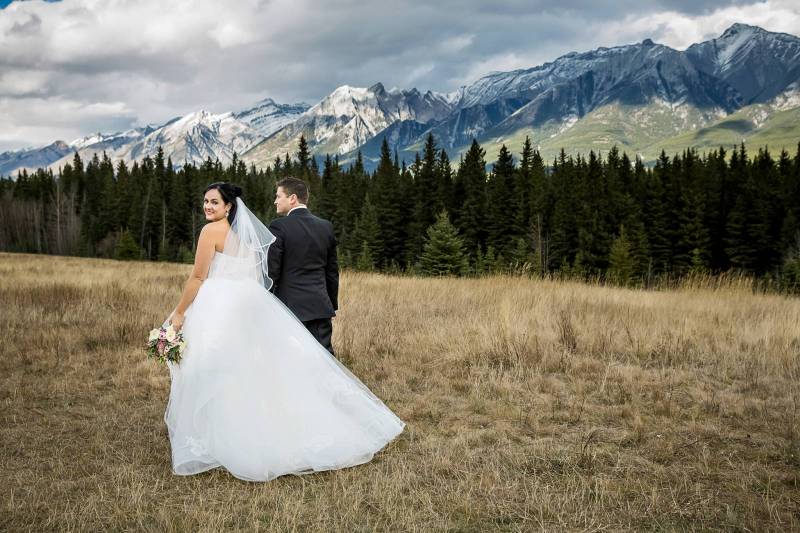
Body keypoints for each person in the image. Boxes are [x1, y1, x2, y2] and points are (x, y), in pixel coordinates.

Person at [163, 182, 404, 482]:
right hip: (262, 306)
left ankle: (221, 433)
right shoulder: (252, 235)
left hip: (222, 306)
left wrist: (180, 312)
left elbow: (201, 276)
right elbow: (275, 275)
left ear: (228, 206)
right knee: (273, 369)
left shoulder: (213, 232)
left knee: (214, 368)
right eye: (205, 202)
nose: (207, 207)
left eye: (214, 202)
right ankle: (303, 422)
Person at [268, 177, 338, 355]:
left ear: (292, 198)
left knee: (291, 361)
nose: (275, 201)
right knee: (325, 361)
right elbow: (332, 273)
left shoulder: (278, 227)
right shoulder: (326, 227)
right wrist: (330, 304)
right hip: (320, 307)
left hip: (289, 309)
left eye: (278, 196)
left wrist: (266, 302)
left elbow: (272, 272)